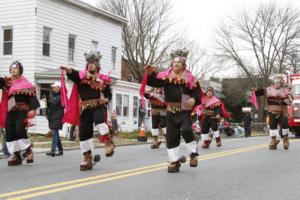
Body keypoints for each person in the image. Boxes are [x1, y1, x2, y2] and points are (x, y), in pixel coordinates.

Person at [142, 48, 201, 173]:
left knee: (186, 130)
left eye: (179, 62)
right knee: (171, 136)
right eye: (174, 62)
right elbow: (153, 82)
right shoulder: (166, 76)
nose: (176, 64)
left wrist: (193, 100)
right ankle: (174, 162)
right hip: (170, 110)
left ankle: (193, 154)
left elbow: (197, 94)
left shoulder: (190, 78)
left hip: (184, 109)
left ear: (184, 64)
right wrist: (150, 73)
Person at [60, 51, 113, 171]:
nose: (90, 65)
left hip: (98, 106)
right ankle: (87, 158)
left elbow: (108, 95)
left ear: (97, 65)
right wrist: (68, 69)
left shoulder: (103, 79)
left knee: (99, 121)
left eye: (93, 63)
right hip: (84, 109)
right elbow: (73, 74)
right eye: (88, 63)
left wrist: (106, 99)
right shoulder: (81, 77)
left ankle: (109, 142)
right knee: (84, 134)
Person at [0, 61, 40, 166]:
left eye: (16, 68)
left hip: (21, 111)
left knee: (19, 129)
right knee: (9, 133)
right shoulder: (7, 82)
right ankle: (17, 155)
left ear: (20, 70)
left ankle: (28, 150)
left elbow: (32, 97)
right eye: (12, 68)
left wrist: (33, 109)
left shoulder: (25, 84)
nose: (13, 70)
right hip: (10, 112)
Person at [253, 75, 290, 150]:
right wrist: (255, 91)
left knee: (284, 124)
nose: (276, 84)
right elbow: (260, 92)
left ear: (281, 83)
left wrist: (288, 98)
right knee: (272, 125)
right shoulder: (269, 89)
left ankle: (285, 138)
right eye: (275, 82)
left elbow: (290, 99)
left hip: (282, 111)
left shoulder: (285, 90)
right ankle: (274, 140)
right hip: (271, 111)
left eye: (278, 83)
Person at [46, 81, 64, 157]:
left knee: (54, 131)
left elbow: (60, 105)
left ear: (59, 88)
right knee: (55, 132)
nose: (53, 88)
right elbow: (50, 105)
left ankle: (53, 150)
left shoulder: (63, 96)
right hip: (52, 116)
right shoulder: (51, 95)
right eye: (53, 87)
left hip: (58, 116)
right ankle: (60, 150)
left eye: (55, 87)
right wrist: (46, 103)